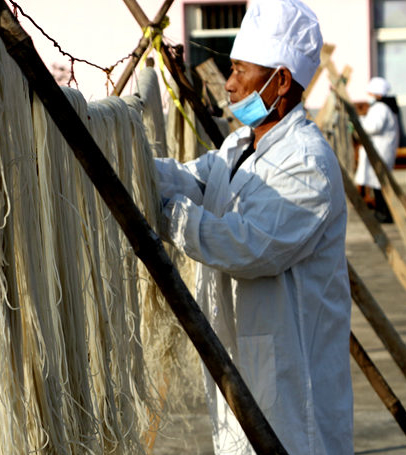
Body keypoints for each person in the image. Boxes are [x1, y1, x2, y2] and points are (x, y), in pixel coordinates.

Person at [154, 0, 352, 453]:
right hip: (245, 367)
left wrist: (167, 213)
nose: (229, 83)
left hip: (291, 384)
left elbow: (247, 246)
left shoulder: (306, 164)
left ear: (280, 80)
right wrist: (131, 166)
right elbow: (195, 180)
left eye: (242, 70)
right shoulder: (242, 144)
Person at [354, 76, 400, 223]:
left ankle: (384, 213)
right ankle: (382, 211)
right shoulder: (384, 108)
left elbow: (373, 127)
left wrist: (357, 122)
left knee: (380, 184)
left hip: (380, 151)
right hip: (380, 150)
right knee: (378, 184)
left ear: (378, 95)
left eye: (372, 94)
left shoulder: (381, 108)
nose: (370, 98)